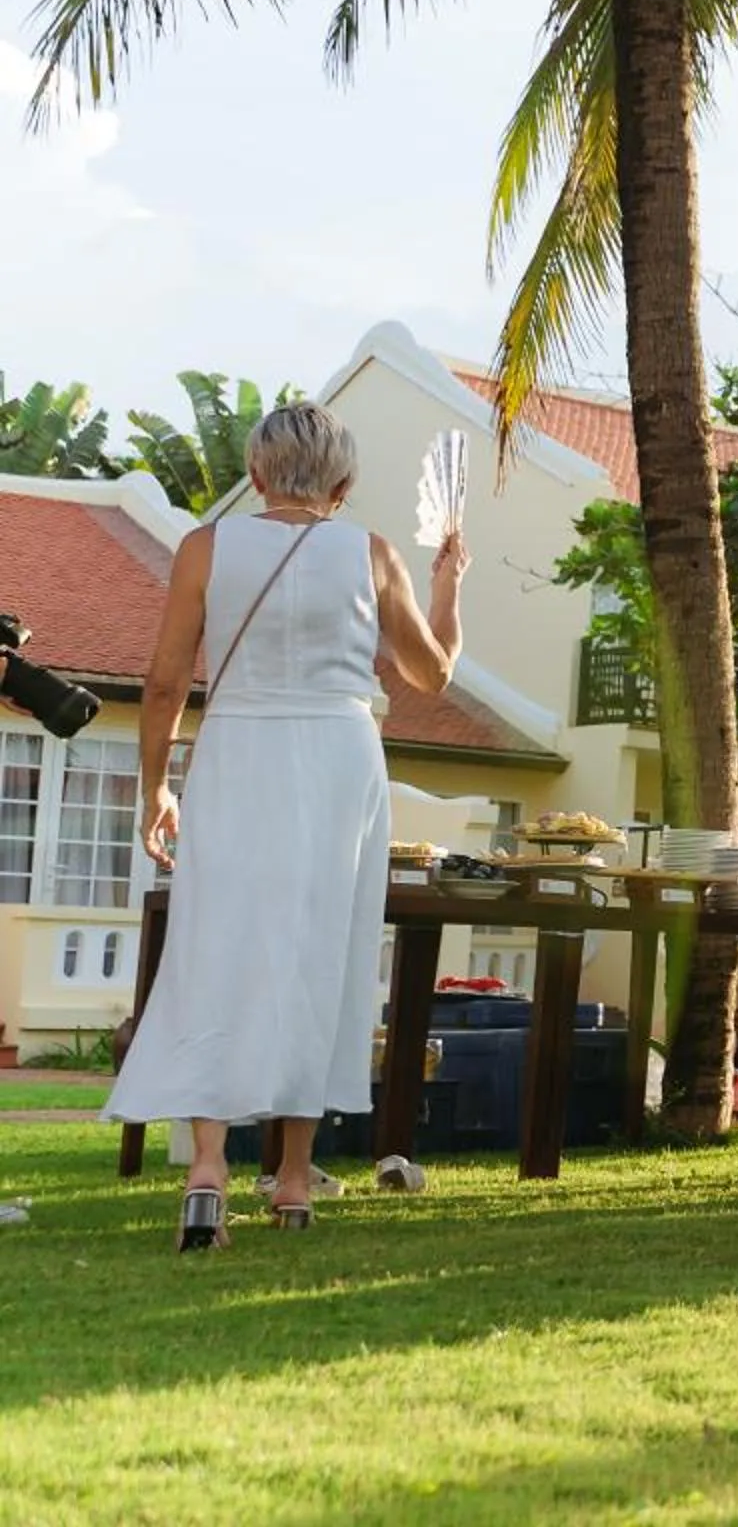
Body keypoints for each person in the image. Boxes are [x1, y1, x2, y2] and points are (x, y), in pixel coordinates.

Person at [106, 404, 466, 1251]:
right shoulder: (373, 553)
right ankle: (295, 1178)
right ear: (342, 485)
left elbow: (164, 684)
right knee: (321, 949)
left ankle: (206, 1168)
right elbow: (433, 672)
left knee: (213, 944)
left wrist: (155, 788)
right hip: (341, 755)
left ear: (257, 474)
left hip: (240, 748)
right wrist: (450, 581)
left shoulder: (206, 546)